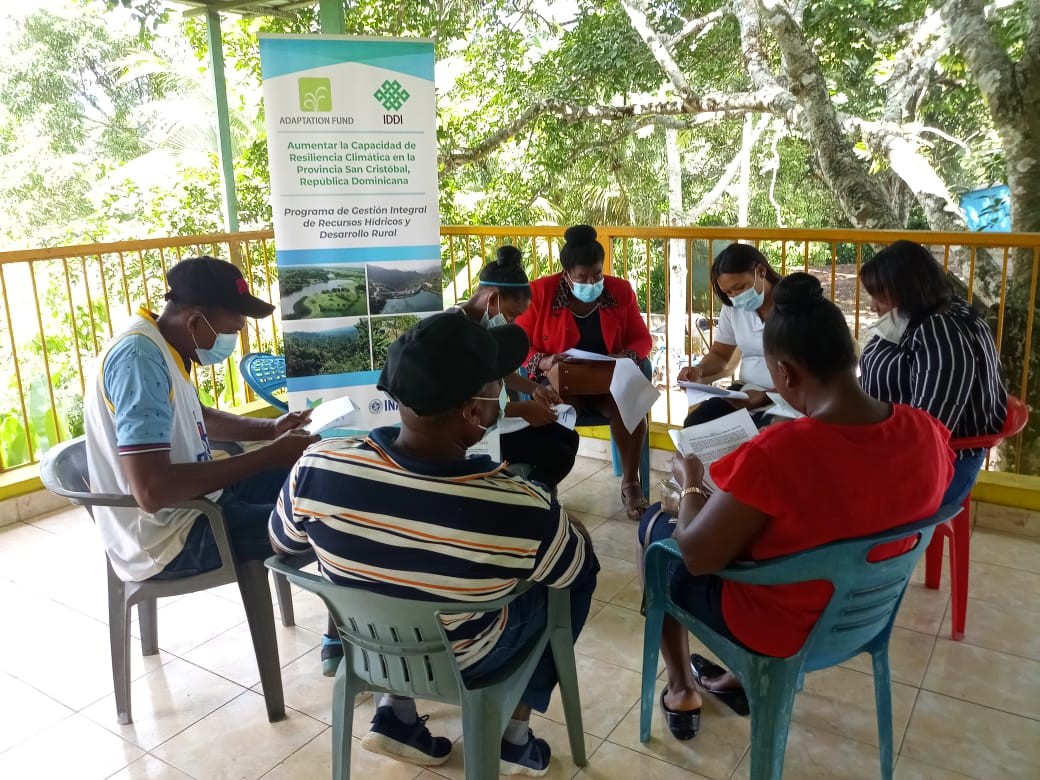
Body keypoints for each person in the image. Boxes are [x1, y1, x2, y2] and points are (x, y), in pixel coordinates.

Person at [270, 312, 598, 776]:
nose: (504, 394)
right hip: (466, 659)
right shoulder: (519, 507)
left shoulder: (316, 467)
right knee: (566, 585)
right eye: (497, 386)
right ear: (473, 411)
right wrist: (566, 524)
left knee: (389, 572)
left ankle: (397, 713)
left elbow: (281, 541)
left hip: (366, 649)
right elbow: (576, 567)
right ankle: (514, 734)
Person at [641, 273, 953, 741]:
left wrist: (690, 484)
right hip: (864, 616)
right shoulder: (924, 430)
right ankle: (735, 677)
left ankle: (682, 686)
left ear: (785, 374)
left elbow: (697, 555)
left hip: (778, 626)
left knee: (654, 530)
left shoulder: (782, 451)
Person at [83, 255, 318, 584]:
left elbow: (198, 416)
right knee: (326, 517)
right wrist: (268, 455)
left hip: (199, 502)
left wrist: (271, 429)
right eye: (230, 332)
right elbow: (152, 491)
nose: (232, 343)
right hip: (170, 537)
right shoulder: (139, 360)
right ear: (194, 322)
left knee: (315, 476)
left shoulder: (162, 344)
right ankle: (344, 616)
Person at [514, 224, 653, 519]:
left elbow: (642, 339)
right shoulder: (541, 292)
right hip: (562, 379)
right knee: (555, 410)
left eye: (597, 275)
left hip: (607, 379)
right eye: (582, 277)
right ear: (567, 274)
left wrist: (626, 355)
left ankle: (631, 483)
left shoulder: (619, 291)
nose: (592, 282)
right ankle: (547, 484)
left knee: (630, 408)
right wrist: (544, 361)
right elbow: (519, 344)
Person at [859, 240, 1007, 506]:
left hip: (943, 464)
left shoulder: (942, 333)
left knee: (827, 489)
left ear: (907, 293)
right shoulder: (927, 315)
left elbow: (928, 431)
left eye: (880, 297)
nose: (873, 306)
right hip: (904, 447)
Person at [452, 245, 580, 490]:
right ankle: (530, 497)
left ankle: (536, 490)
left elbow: (495, 370)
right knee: (559, 454)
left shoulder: (482, 324)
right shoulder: (457, 332)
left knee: (567, 435)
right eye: (511, 314)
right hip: (473, 432)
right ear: (492, 299)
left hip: (497, 417)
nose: (511, 322)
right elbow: (462, 406)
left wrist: (534, 389)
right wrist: (522, 410)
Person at [677, 243, 782, 428]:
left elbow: (813, 373)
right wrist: (699, 370)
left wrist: (766, 396)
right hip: (745, 393)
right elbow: (720, 355)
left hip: (787, 399)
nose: (735, 297)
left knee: (766, 434)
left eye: (739, 287)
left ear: (761, 271)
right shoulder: (733, 308)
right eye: (728, 292)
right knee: (696, 424)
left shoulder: (793, 305)